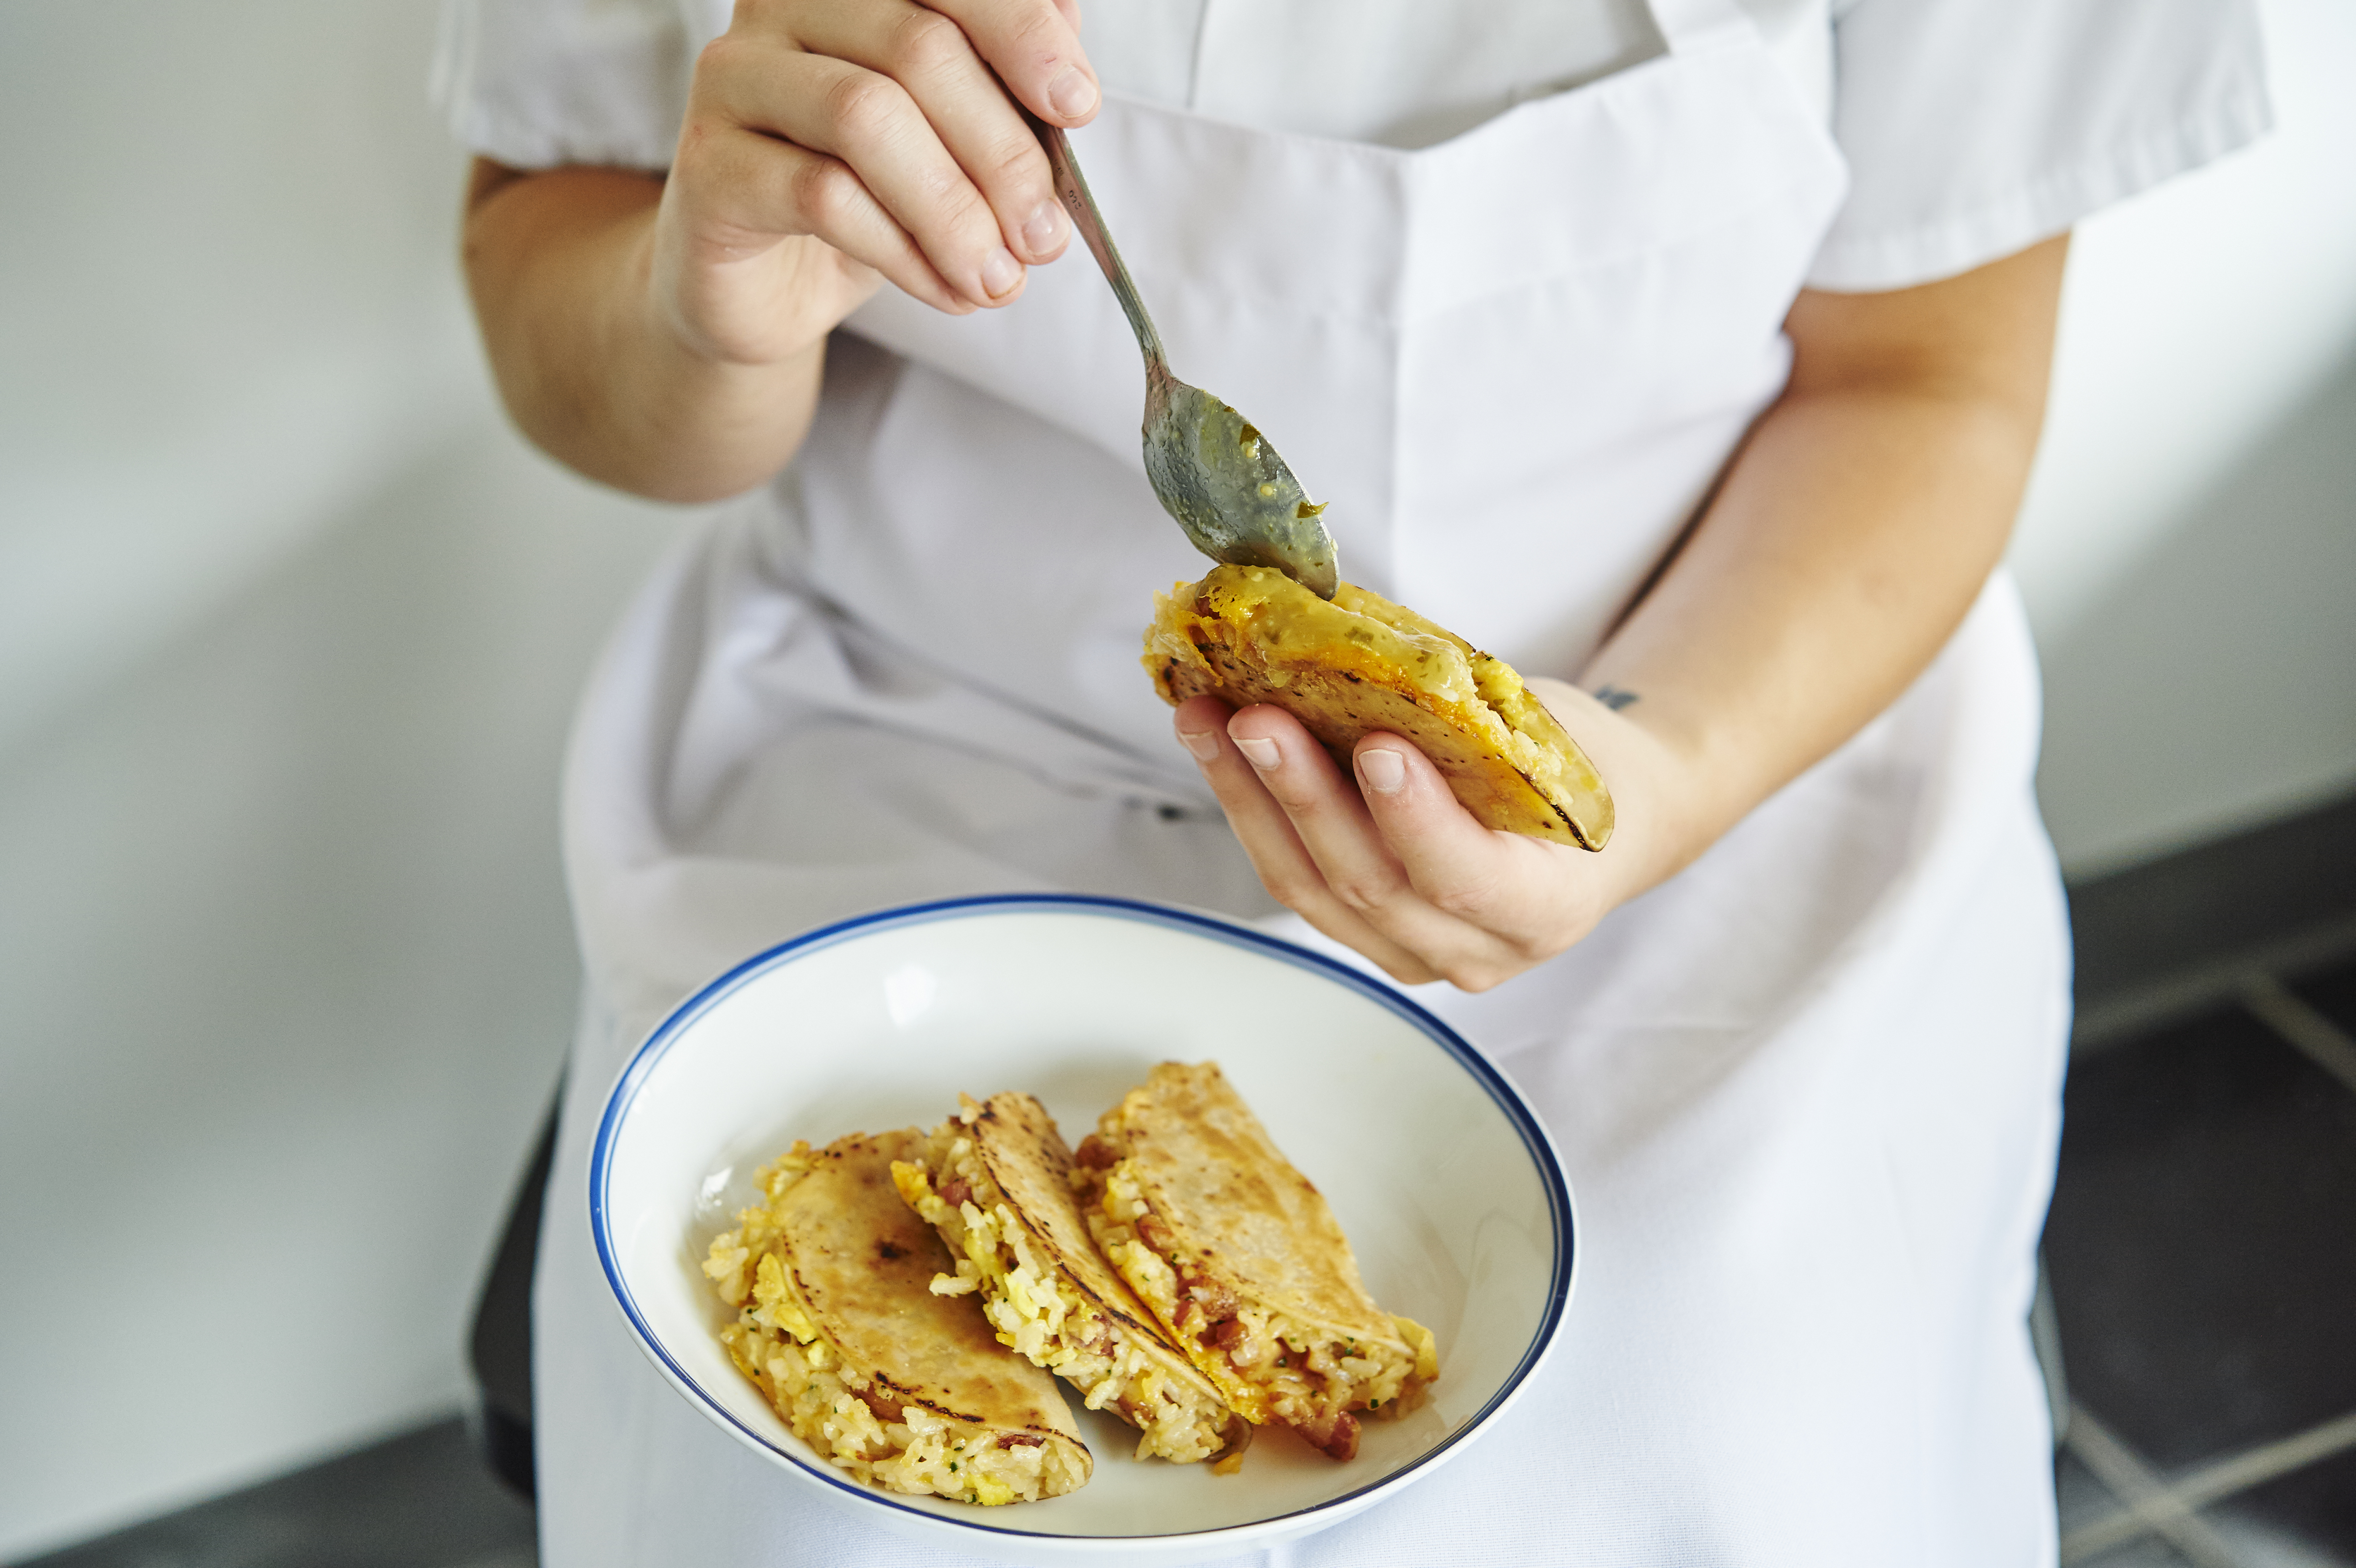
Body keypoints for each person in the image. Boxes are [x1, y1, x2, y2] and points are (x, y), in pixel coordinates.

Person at [435, 0, 2267, 1561]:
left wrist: (1643, 772)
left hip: (1716, 723)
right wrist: (710, 300)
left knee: (1701, 1430)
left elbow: (1927, 378)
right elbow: (549, 242)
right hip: (905, 739)